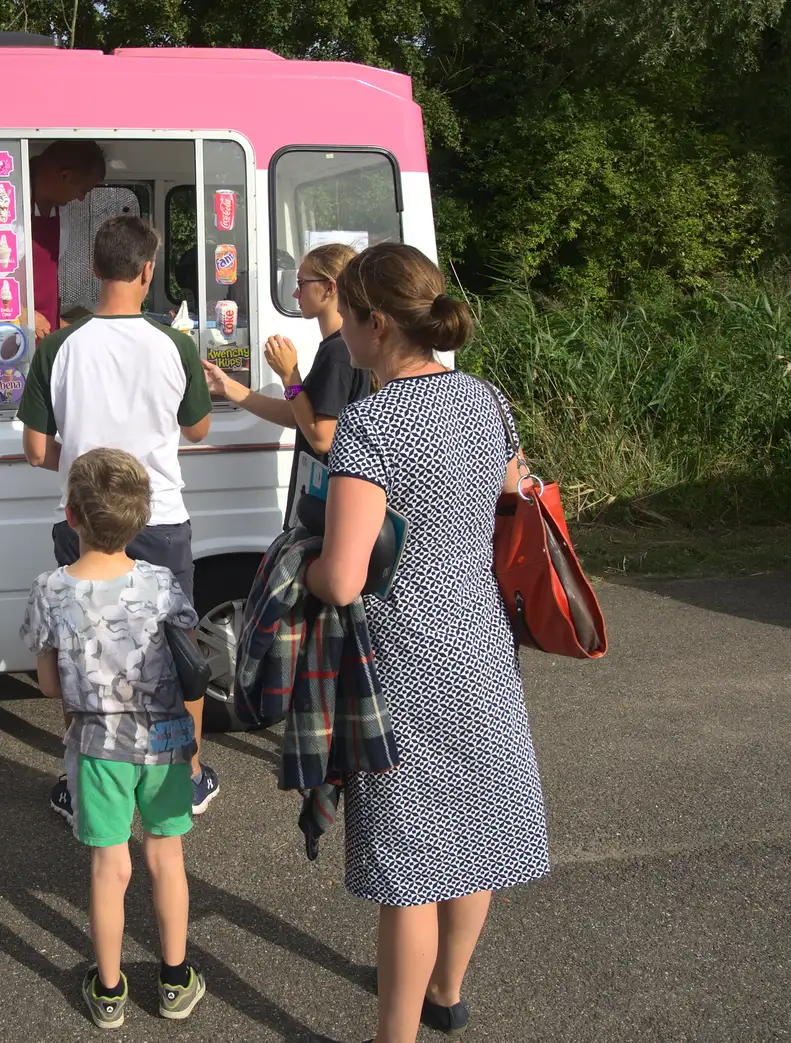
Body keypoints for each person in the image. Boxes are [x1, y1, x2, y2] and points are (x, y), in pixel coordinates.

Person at [303, 243, 550, 1043]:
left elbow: (342, 578)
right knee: (472, 832)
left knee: (410, 865)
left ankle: (394, 1037)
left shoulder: (371, 424)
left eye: (345, 315)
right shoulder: (485, 398)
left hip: (404, 659)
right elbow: (514, 488)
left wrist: (300, 571)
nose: (339, 331)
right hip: (481, 643)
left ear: (377, 324)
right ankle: (446, 991)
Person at [19, 214, 224, 821]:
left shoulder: (57, 347)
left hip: (82, 518)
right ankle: (183, 774)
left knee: (80, 649)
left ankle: (82, 772)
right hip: (160, 516)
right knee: (176, 646)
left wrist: (79, 470)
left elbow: (35, 449)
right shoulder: (174, 345)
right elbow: (199, 427)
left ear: (95, 269)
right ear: (147, 271)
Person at [21, 448, 207, 1028]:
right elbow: (188, 660)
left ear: (70, 516)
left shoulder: (51, 589)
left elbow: (51, 684)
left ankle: (108, 990)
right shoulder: (161, 582)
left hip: (99, 745)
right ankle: (175, 979)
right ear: (143, 519)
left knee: (110, 868)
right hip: (167, 739)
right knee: (165, 857)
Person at [202, 242, 370, 520]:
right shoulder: (337, 347)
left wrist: (289, 375)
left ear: (329, 288)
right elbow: (300, 415)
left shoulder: (338, 352)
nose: (295, 293)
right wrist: (226, 386)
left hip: (326, 511)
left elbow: (321, 438)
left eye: (302, 283)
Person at [31, 140, 107, 340]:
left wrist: (64, 326)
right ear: (66, 176)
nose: (82, 199)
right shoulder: (6, 204)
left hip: (44, 336)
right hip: (11, 337)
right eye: (84, 190)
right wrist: (22, 314)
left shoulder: (60, 212)